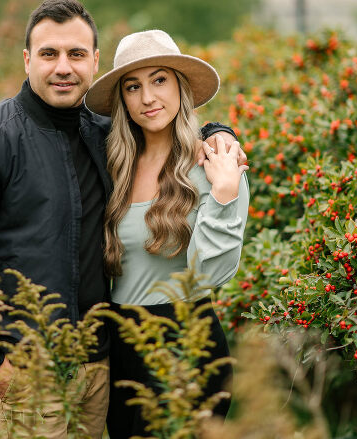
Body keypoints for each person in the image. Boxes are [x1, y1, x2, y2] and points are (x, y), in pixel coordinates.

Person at [0, 0, 243, 438]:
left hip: (101, 367)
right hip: (27, 372)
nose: (64, 67)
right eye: (49, 54)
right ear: (27, 60)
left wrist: (219, 135)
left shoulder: (106, 138)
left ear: (94, 62)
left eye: (76, 54)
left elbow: (169, 130)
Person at [84, 29, 250, 437]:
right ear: (122, 99)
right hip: (120, 345)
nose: (147, 98)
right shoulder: (113, 164)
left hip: (186, 342)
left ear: (181, 86)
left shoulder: (216, 162)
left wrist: (225, 195)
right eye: (133, 86)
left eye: (160, 80)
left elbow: (210, 275)